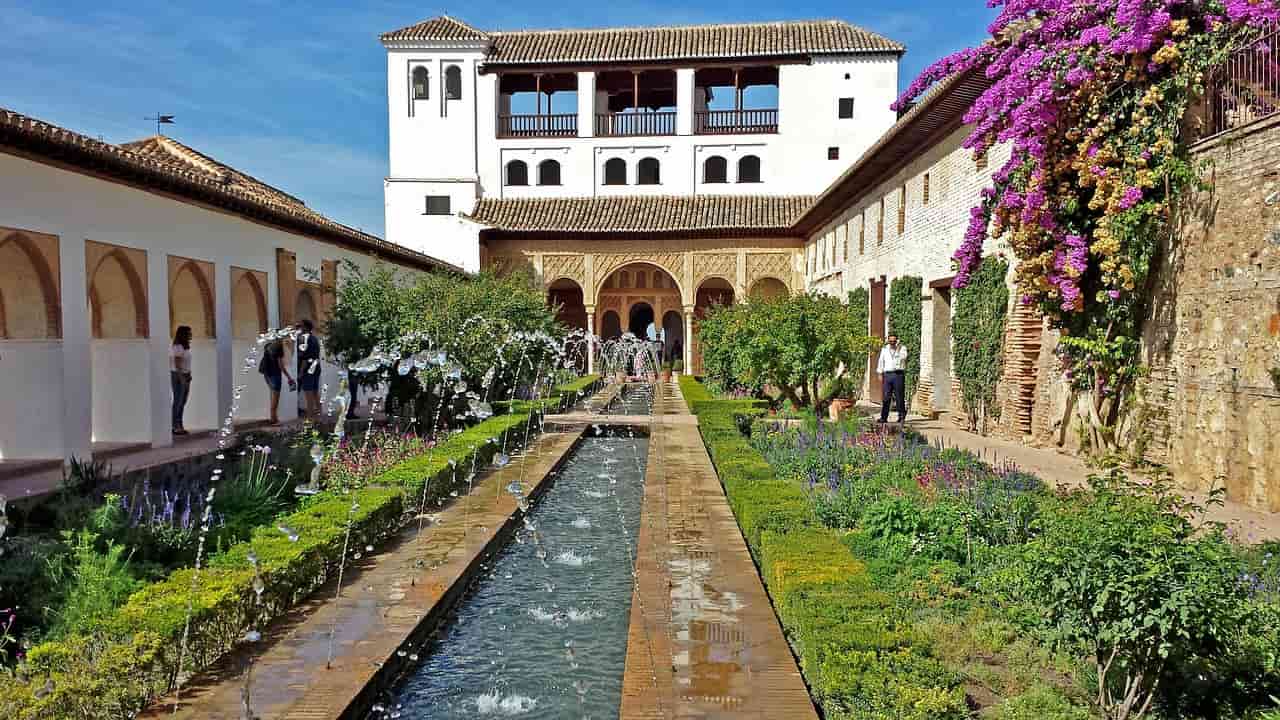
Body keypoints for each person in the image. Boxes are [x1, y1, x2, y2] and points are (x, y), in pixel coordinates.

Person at [258, 339, 295, 426]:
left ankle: (274, 417)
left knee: (273, 396)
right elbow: (281, 365)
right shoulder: (279, 347)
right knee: (275, 399)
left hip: (267, 374)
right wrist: (289, 377)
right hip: (275, 375)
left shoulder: (268, 345)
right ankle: (273, 419)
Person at [876, 333, 909, 424]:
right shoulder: (884, 349)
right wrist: (879, 373)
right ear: (888, 341)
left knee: (899, 396)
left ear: (897, 341)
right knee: (886, 397)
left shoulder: (902, 349)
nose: (892, 343)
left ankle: (901, 417)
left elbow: (903, 358)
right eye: (890, 341)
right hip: (887, 375)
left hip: (898, 374)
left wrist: (897, 348)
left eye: (894, 341)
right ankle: (883, 417)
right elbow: (881, 361)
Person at [296, 319, 322, 420]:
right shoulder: (314, 338)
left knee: (308, 394)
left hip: (308, 370)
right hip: (316, 368)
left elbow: (305, 358)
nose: (299, 328)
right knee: (315, 392)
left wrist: (301, 372)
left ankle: (310, 417)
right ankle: (319, 414)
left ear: (306, 327)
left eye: (301, 326)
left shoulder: (305, 339)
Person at [170, 325, 193, 436]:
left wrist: (189, 375)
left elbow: (186, 363)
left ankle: (179, 425)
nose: (191, 335)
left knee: (182, 402)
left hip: (186, 375)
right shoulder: (178, 347)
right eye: (189, 333)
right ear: (184, 334)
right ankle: (175, 426)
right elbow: (177, 364)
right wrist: (182, 378)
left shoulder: (185, 347)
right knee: (178, 401)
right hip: (179, 376)